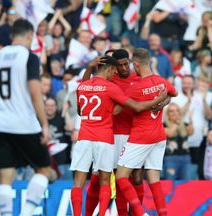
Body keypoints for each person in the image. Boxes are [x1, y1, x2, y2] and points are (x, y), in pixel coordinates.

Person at [70, 55, 167, 216]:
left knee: (78, 182)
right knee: (105, 181)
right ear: (109, 68)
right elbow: (135, 107)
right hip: (106, 138)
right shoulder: (110, 87)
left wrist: (88, 68)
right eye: (114, 69)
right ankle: (101, 214)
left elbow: (81, 111)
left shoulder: (82, 86)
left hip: (85, 137)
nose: (115, 73)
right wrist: (158, 100)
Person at [0, 19, 53, 216]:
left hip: (1, 123)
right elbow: (35, 92)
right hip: (25, 124)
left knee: (5, 176)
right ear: (29, 36)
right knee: (44, 170)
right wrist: (44, 124)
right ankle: (26, 213)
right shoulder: (29, 57)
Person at [116, 48, 177, 216]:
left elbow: (117, 109)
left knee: (121, 177)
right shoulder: (161, 81)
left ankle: (141, 214)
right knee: (154, 180)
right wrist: (163, 102)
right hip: (159, 136)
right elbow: (174, 93)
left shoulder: (136, 88)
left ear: (136, 64)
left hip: (141, 136)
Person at [163, 103, 194, 180]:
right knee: (170, 184)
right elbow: (169, 133)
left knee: (186, 185)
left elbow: (191, 132)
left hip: (186, 158)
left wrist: (190, 119)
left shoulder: (184, 124)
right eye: (171, 111)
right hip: (170, 159)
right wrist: (177, 122)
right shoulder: (163, 125)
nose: (175, 113)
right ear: (167, 114)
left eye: (177, 111)